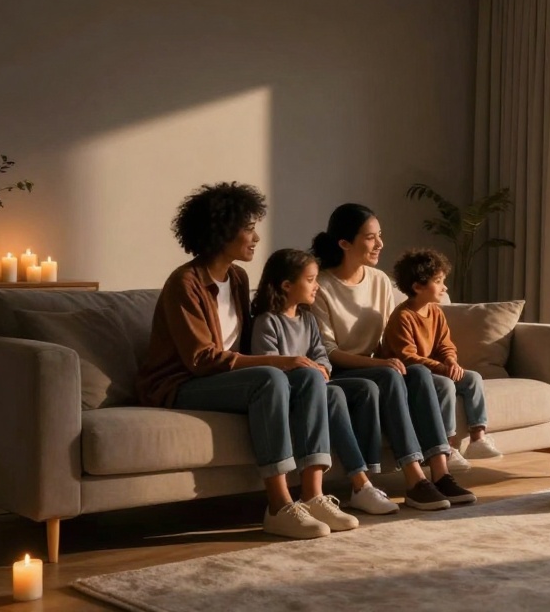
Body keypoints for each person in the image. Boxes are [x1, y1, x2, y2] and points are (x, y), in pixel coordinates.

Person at [136, 182, 356, 539]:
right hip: (182, 384)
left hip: (224, 379)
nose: (256, 238)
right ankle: (279, 506)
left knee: (311, 377)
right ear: (222, 231)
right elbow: (201, 359)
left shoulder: (237, 278)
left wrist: (298, 364)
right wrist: (280, 362)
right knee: (271, 378)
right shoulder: (184, 283)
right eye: (249, 228)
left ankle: (313, 496)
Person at [310, 203, 474, 508]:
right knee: (389, 374)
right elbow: (330, 352)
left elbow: (391, 335)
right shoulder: (320, 286)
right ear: (345, 243)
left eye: (380, 235)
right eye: (370, 237)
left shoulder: (379, 280)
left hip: (380, 364)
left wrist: (404, 361)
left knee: (420, 373)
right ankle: (414, 480)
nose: (380, 244)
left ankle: (440, 474)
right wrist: (381, 363)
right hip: (343, 370)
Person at [250, 248, 400, 516]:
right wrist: (307, 371)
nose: (316, 286)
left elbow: (321, 355)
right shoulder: (267, 321)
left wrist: (322, 369)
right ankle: (357, 485)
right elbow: (267, 363)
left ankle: (365, 481)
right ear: (286, 285)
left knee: (365, 388)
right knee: (334, 395)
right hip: (293, 390)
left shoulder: (308, 319)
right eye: (310, 280)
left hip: (316, 383)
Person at [380, 249, 502, 463]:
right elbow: (408, 357)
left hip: (436, 369)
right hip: (410, 376)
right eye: (438, 281)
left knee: (472, 378)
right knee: (445, 385)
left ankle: (478, 439)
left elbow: (446, 344)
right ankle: (447, 445)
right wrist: (442, 368)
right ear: (418, 287)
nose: (444, 287)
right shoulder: (402, 317)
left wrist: (451, 361)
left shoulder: (436, 312)